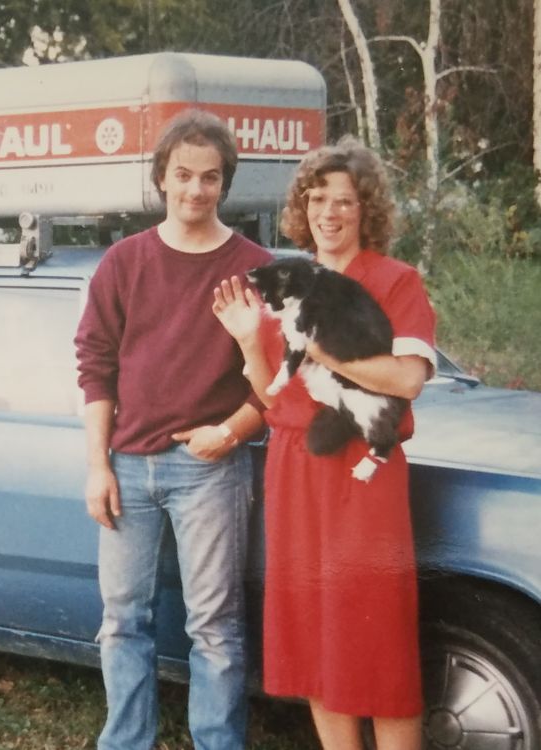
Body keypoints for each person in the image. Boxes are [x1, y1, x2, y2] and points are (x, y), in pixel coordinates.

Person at [213, 137, 435, 750]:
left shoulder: (395, 281)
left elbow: (408, 379)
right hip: (295, 472)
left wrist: (318, 345)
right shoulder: (292, 279)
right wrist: (248, 341)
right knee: (315, 641)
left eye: (344, 201)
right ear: (301, 206)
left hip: (362, 472)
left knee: (379, 647)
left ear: (366, 211)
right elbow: (276, 399)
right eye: (317, 199)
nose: (329, 213)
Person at [74, 108, 271, 750]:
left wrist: (232, 433)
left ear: (225, 184)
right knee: (122, 619)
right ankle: (126, 741)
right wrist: (99, 464)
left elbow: (279, 380)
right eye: (183, 175)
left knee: (214, 624)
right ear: (162, 177)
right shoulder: (124, 262)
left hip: (211, 470)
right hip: (128, 465)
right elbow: (95, 366)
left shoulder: (255, 266)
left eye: (210, 178)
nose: (195, 190)